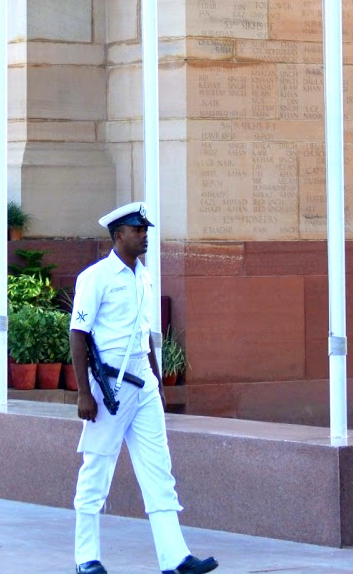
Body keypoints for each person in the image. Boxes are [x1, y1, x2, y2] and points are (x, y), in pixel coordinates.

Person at [69, 203, 218, 574]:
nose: (145, 235)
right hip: (109, 387)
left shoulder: (144, 277)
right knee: (97, 469)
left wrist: (157, 379)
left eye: (146, 229)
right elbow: (78, 333)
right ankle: (86, 557)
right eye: (138, 230)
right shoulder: (96, 277)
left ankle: (175, 558)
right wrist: (83, 391)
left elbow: (146, 332)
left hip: (145, 384)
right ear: (119, 235)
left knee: (158, 470)